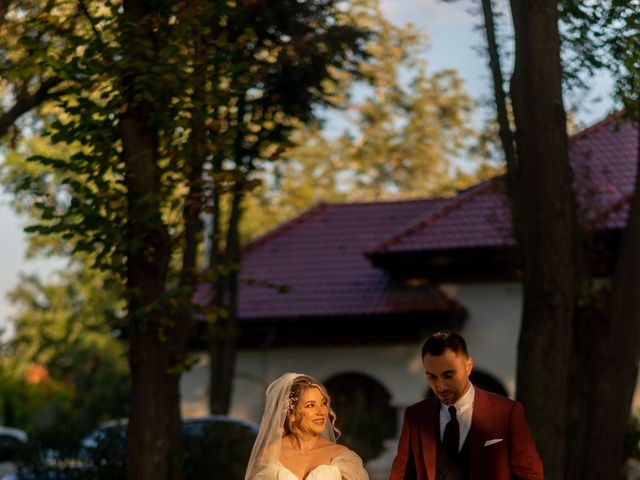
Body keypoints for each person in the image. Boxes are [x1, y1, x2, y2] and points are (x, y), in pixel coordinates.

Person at [389, 331, 544, 480]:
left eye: (448, 375)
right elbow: (400, 476)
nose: (440, 386)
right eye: (432, 377)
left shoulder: (507, 412)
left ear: (468, 366)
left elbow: (530, 475)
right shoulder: (415, 416)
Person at [245, 372, 369, 480]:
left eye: (323, 403)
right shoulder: (269, 455)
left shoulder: (341, 456)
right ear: (290, 414)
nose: (321, 411)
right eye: (310, 405)